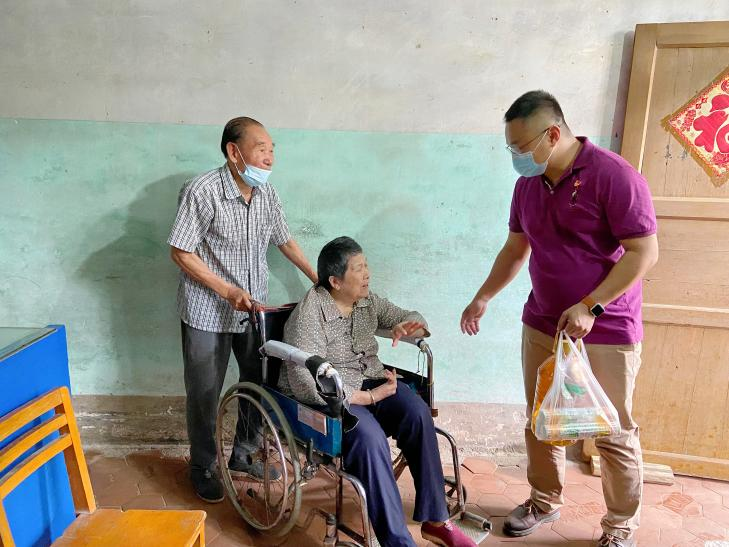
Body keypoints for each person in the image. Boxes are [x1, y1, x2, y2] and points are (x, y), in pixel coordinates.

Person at [460, 91, 658, 547]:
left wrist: (592, 305)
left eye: (521, 146)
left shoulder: (614, 176)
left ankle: (619, 526)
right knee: (542, 418)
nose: (516, 157)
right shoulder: (528, 186)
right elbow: (516, 248)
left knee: (612, 428)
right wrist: (483, 296)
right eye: (511, 148)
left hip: (606, 328)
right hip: (543, 322)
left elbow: (644, 252)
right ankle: (543, 500)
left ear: (553, 134)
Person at [280, 236, 476, 547]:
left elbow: (412, 316)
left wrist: (408, 325)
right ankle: (398, 542)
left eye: (366, 265)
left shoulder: (366, 302)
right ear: (335, 281)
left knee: (417, 413)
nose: (367, 274)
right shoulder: (310, 315)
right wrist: (367, 398)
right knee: (370, 439)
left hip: (372, 378)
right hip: (332, 394)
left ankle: (437, 521)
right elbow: (305, 381)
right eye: (358, 269)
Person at [167, 116, 318, 503]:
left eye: (272, 150)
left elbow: (284, 240)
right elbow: (181, 251)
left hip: (254, 311)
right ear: (234, 152)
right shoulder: (202, 191)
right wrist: (226, 290)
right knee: (205, 391)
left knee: (260, 382)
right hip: (206, 311)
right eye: (261, 149)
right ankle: (203, 465)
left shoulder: (266, 194)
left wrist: (318, 279)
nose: (269, 158)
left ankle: (243, 454)